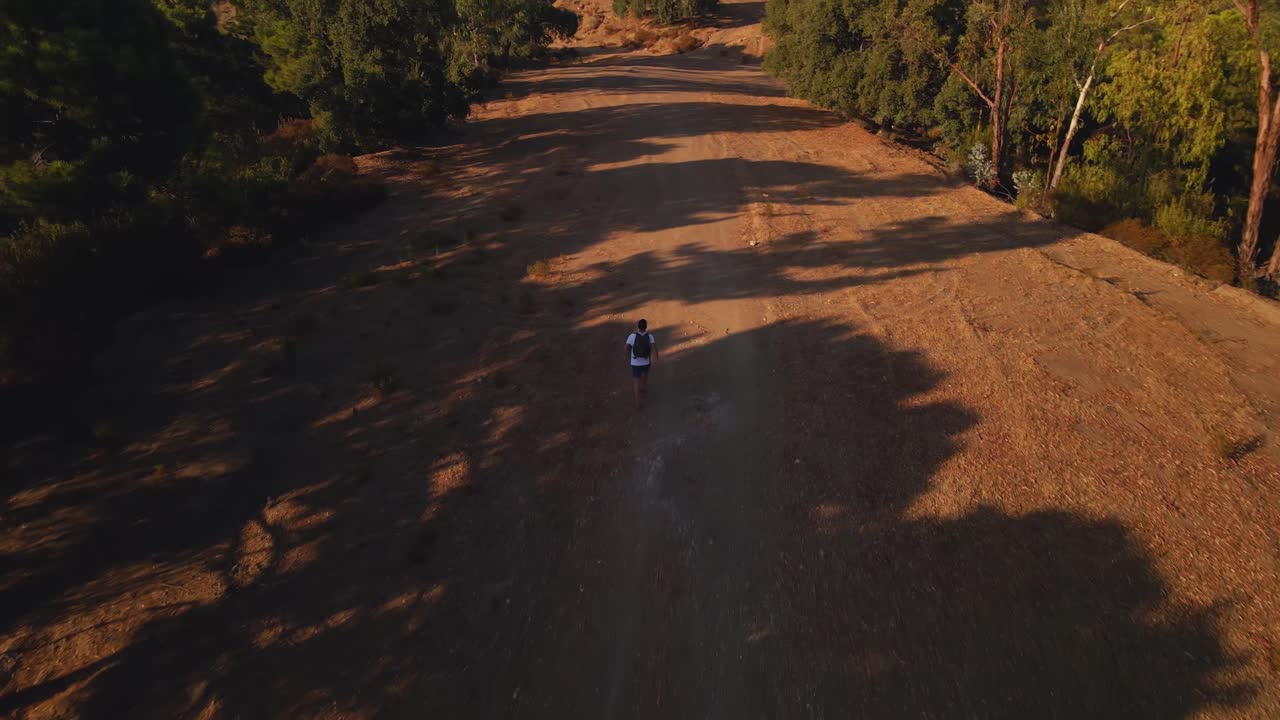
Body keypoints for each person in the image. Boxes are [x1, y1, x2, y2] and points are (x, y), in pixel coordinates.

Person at [626, 319, 658, 409]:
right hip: (646, 361)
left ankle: (637, 403)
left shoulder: (632, 336)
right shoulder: (650, 336)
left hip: (635, 362)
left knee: (636, 381)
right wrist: (656, 358)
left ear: (638, 327)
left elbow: (626, 347)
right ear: (646, 327)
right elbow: (654, 348)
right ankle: (643, 389)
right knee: (645, 376)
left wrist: (630, 353)